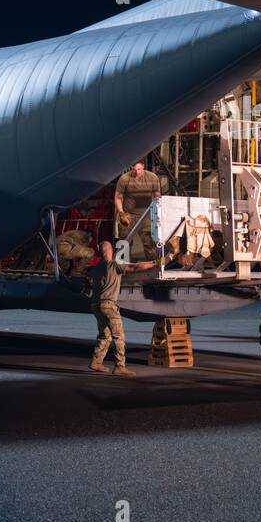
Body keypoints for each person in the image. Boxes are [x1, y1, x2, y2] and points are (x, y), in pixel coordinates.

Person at [87, 240, 156, 376]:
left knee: (104, 335)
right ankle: (120, 366)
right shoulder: (114, 265)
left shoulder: (97, 267)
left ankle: (96, 362)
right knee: (118, 336)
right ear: (111, 250)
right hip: (109, 305)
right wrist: (155, 263)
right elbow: (135, 267)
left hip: (96, 305)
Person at [114, 159, 161, 260]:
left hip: (146, 215)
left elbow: (158, 197)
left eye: (139, 169)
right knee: (124, 243)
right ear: (131, 168)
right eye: (134, 169)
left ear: (143, 167)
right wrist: (121, 213)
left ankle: (153, 267)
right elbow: (118, 198)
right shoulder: (124, 179)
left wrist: (157, 214)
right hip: (128, 214)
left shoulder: (152, 177)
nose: (137, 172)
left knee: (150, 244)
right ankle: (122, 268)